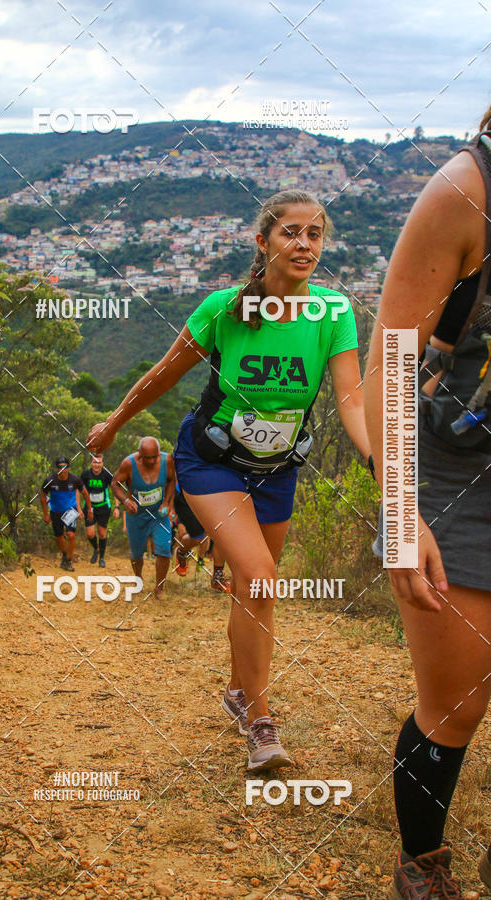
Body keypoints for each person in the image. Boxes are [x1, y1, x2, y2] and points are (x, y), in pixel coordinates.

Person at [88, 189, 371, 773]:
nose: (304, 244)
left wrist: (378, 459)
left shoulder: (333, 313)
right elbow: (163, 375)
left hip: (277, 471)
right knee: (261, 578)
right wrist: (114, 423)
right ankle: (261, 726)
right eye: (291, 232)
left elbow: (351, 399)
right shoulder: (224, 309)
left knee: (252, 588)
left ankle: (239, 691)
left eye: (315, 234)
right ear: (262, 241)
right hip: (210, 461)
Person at [364, 113, 491, 898]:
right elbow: (393, 352)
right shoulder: (464, 191)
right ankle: (422, 864)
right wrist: (400, 511)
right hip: (455, 467)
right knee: (457, 701)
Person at [109, 437, 175, 600]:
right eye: (147, 458)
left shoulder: (167, 461)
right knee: (137, 554)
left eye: (155, 456)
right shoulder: (128, 464)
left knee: (164, 550)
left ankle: (159, 588)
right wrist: (125, 501)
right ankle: (138, 578)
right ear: (140, 455)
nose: (152, 461)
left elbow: (173, 479)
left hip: (159, 515)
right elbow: (115, 483)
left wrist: (167, 502)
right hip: (136, 516)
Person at [173, 481, 231, 593]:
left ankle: (217, 577)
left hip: (217, 492)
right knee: (198, 538)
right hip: (189, 492)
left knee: (222, 532)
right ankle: (181, 552)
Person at [40, 457, 91, 571]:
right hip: (55, 511)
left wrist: (89, 510)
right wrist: (45, 514)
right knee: (58, 537)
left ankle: (68, 560)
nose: (62, 470)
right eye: (60, 467)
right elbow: (43, 496)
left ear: (68, 468)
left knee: (71, 535)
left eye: (65, 467)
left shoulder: (75, 480)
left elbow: (85, 494)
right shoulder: (50, 480)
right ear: (56, 468)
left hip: (70, 511)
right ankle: (64, 555)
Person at [79, 452, 120, 567]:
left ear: (102, 463)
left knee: (102, 534)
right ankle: (96, 549)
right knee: (90, 534)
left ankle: (101, 558)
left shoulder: (107, 475)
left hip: (103, 507)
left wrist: (117, 507)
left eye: (99, 462)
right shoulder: (85, 474)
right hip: (89, 508)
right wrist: (78, 508)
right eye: (94, 462)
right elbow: (78, 490)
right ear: (91, 463)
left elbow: (115, 490)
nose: (96, 465)